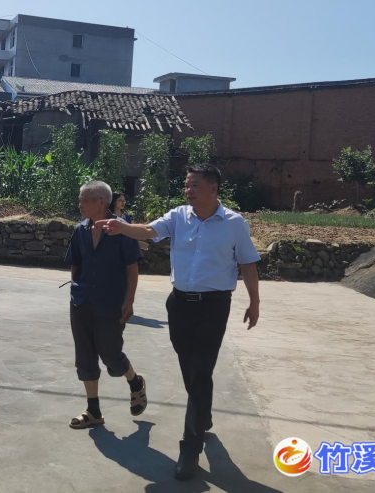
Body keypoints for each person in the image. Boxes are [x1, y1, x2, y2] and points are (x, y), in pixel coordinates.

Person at [97, 164, 261, 481]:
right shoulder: (178, 216)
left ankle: (190, 448)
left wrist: (254, 302)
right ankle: (203, 414)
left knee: (200, 373)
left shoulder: (234, 224)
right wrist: (120, 226)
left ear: (212, 188)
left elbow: (248, 264)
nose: (188, 190)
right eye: (186, 185)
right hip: (179, 305)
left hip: (214, 306)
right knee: (190, 370)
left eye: (194, 185)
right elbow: (148, 230)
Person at [64, 181, 147, 430]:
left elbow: (132, 268)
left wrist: (129, 300)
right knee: (84, 354)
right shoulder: (80, 230)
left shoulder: (122, 230)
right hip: (81, 300)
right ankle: (93, 410)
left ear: (100, 202)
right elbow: (75, 263)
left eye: (83, 200)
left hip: (111, 302)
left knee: (110, 353)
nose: (79, 204)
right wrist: (76, 289)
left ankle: (135, 382)